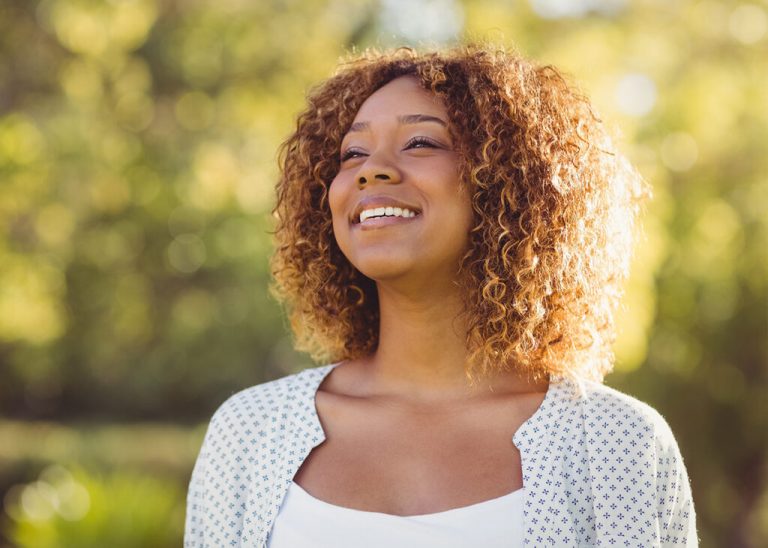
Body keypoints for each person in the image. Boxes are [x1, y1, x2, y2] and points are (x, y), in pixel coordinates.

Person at [184, 44, 698, 547]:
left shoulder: (615, 443)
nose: (371, 169)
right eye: (353, 153)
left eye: (421, 143)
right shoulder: (249, 433)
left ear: (505, 185)